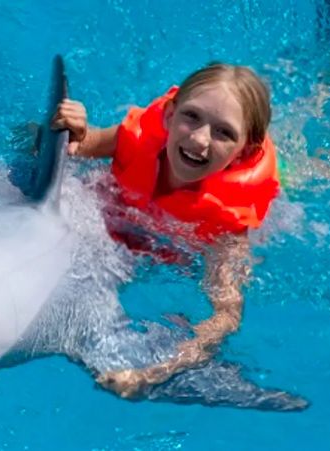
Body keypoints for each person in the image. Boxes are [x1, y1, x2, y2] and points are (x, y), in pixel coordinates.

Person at [51, 63, 281, 398]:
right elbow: (79, 145)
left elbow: (225, 318)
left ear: (244, 151)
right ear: (170, 115)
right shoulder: (135, 139)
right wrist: (71, 128)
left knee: (320, 169)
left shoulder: (228, 230)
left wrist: (156, 373)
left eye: (224, 133)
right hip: (130, 228)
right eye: (191, 117)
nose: (200, 139)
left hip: (168, 252)